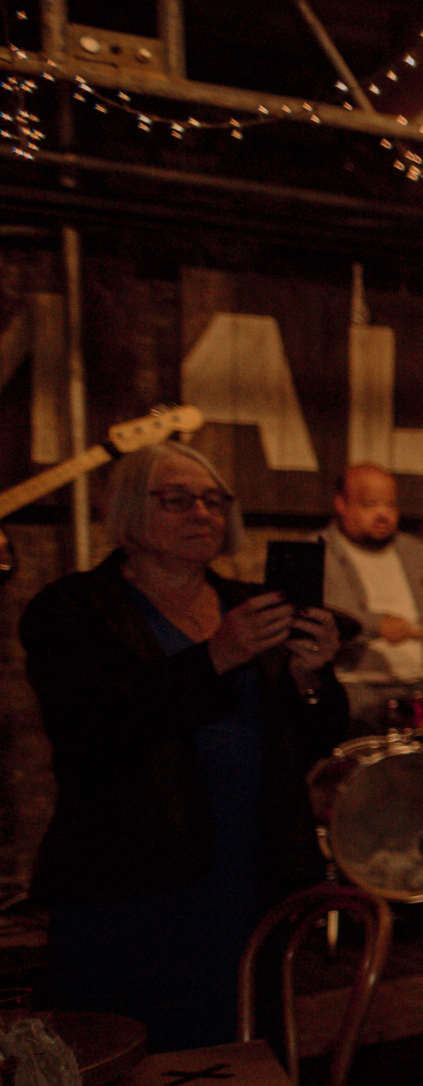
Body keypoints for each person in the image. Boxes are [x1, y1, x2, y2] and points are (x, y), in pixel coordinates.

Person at [22, 443, 344, 1051]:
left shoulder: (252, 604)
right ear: (128, 515)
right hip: (131, 878)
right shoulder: (74, 608)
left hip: (249, 867)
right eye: (176, 499)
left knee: (243, 1048)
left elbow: (311, 740)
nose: (200, 512)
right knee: (140, 1057)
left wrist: (311, 677)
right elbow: (90, 730)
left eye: (213, 500)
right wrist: (215, 658)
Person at [321, 461, 423, 729]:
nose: (383, 515)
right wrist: (377, 625)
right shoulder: (321, 554)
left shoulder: (420, 556)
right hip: (357, 690)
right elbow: (330, 618)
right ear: (342, 504)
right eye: (369, 505)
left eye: (390, 506)